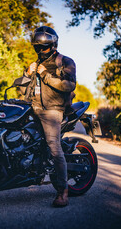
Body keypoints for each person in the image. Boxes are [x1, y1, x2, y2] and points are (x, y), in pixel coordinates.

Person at [23, 26, 76, 207]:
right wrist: (26, 74)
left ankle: (63, 191)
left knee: (54, 147)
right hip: (33, 108)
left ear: (53, 45)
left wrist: (44, 74)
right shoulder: (36, 64)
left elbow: (69, 85)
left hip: (52, 110)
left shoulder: (65, 61)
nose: (40, 51)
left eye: (43, 47)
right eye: (37, 48)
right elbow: (25, 86)